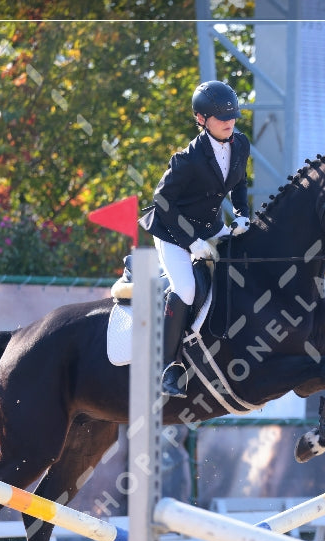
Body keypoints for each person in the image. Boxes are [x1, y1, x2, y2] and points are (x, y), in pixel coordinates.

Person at [138, 80, 251, 397]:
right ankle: (166, 368)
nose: (229, 122)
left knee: (245, 266)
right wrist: (190, 242)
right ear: (201, 119)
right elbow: (162, 202)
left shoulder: (240, 144)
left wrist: (242, 215)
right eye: (220, 117)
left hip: (211, 227)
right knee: (185, 288)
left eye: (232, 116)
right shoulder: (187, 159)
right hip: (174, 231)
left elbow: (240, 182)